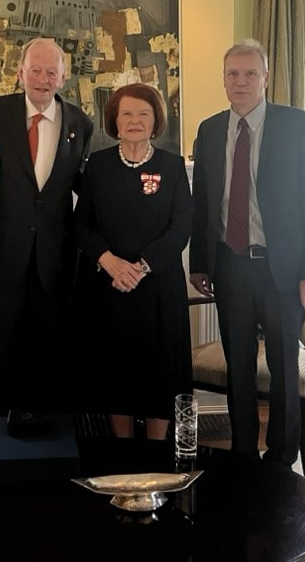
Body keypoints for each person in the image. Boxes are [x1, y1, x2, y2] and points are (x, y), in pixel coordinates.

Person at [189, 39, 305, 466]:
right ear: (223, 80)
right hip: (230, 266)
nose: (241, 81)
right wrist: (200, 263)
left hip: (282, 270)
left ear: (266, 78)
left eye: (250, 73)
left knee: (284, 366)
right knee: (240, 367)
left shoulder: (296, 125)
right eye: (233, 74)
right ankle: (244, 452)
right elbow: (203, 202)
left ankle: (282, 458)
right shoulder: (210, 130)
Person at [0, 37, 94, 413]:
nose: (43, 79)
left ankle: (46, 433)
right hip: (3, 253)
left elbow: (88, 187)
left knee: (49, 352)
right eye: (36, 70)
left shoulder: (80, 123)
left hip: (54, 259)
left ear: (63, 77)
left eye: (51, 72)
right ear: (20, 73)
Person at [74, 83, 192, 439]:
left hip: (158, 288)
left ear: (155, 121)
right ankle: (123, 450)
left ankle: (156, 451)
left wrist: (141, 268)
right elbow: (82, 224)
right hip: (110, 287)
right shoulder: (98, 165)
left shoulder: (172, 166)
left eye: (143, 113)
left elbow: (180, 228)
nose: (135, 120)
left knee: (161, 373)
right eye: (127, 113)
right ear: (115, 120)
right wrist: (109, 262)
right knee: (116, 371)